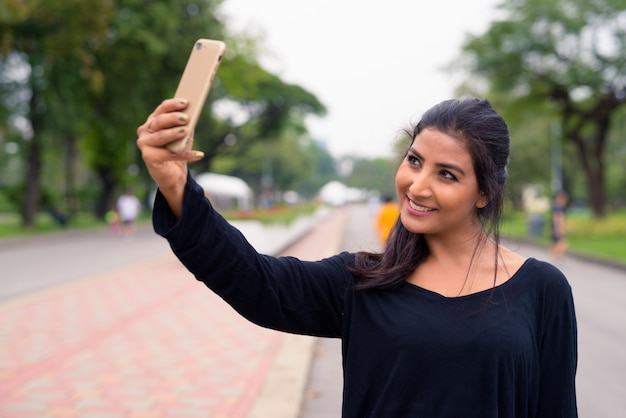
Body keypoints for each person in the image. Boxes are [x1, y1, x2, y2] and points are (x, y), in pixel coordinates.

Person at [137, 97, 577, 417]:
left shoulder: (542, 290)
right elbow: (256, 282)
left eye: (447, 174)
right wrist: (177, 186)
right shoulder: (363, 282)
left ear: (484, 192)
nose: (418, 185)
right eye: (414, 160)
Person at [550, 191, 569, 259]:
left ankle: (555, 256)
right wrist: (558, 229)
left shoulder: (557, 206)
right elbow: (558, 218)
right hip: (558, 227)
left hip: (556, 227)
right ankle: (557, 256)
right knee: (562, 243)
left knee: (556, 242)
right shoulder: (559, 207)